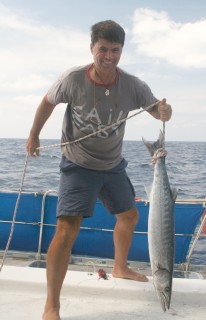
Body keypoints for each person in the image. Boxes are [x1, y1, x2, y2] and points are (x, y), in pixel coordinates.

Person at [26, 20, 172, 320]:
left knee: (129, 216)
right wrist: (34, 135)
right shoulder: (73, 79)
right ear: (92, 48)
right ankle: (51, 304)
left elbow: (155, 108)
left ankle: (120, 266)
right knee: (67, 230)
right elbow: (46, 103)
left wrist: (164, 112)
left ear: (122, 51)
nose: (108, 56)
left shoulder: (133, 85)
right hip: (78, 164)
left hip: (113, 164)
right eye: (102, 49)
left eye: (115, 50)